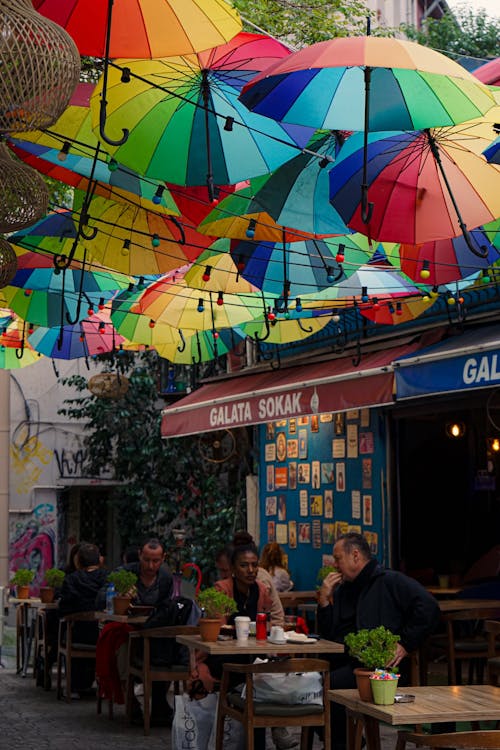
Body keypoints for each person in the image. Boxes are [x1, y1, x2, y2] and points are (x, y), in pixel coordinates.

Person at [317, 532, 441, 750]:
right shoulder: (345, 589)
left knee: (325, 686)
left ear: (355, 555)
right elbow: (330, 636)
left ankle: (343, 744)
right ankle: (348, 741)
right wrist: (325, 601)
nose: (334, 565)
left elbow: (429, 607)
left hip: (381, 669)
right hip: (347, 664)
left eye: (338, 559)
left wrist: (405, 644)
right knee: (307, 686)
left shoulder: (389, 580)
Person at [209, 534, 296, 750]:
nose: (250, 570)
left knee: (272, 678)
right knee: (256, 685)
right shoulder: (222, 589)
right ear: (233, 568)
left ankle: (269, 730)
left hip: (255, 657)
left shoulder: (261, 590)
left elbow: (271, 623)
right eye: (244, 565)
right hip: (227, 660)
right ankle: (270, 730)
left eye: (254, 565)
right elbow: (215, 630)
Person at [47, 542, 108, 696]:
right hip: (102, 635)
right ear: (99, 560)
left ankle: (74, 686)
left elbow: (63, 609)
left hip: (76, 634)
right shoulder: (107, 578)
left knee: (67, 629)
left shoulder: (72, 579)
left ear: (78, 561)